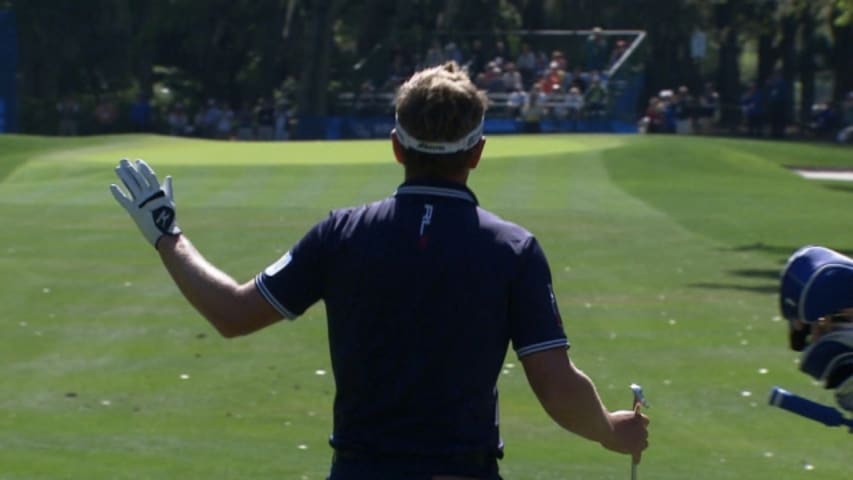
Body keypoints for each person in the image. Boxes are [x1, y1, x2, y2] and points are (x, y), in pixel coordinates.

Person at [108, 61, 649, 480]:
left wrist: (166, 234)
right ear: (478, 152)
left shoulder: (341, 234)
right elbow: (556, 387)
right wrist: (609, 432)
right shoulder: (513, 249)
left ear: (396, 147)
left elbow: (232, 312)